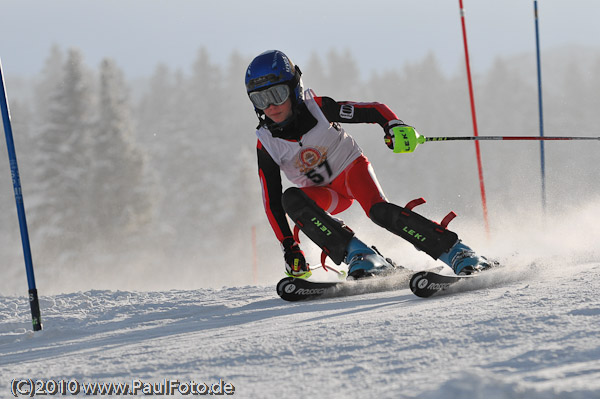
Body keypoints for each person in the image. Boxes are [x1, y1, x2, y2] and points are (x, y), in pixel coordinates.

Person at [245, 50, 491, 279]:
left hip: (351, 170)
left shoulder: (319, 109)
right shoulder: (266, 143)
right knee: (291, 199)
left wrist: (393, 125)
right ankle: (361, 255)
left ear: (293, 89)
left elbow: (374, 110)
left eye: (277, 95)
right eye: (260, 99)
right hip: (325, 194)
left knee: (378, 211)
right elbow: (272, 201)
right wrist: (290, 246)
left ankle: (458, 250)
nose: (271, 107)